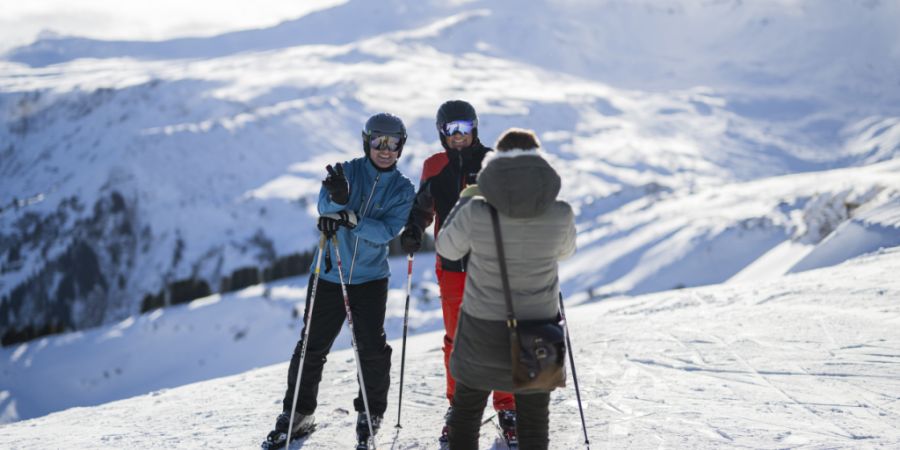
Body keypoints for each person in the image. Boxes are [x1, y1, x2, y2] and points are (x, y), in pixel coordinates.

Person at [263, 113, 415, 449]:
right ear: (367, 141)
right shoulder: (347, 171)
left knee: (371, 350)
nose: (385, 149)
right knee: (311, 347)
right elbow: (322, 206)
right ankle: (298, 413)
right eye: (378, 141)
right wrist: (338, 199)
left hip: (371, 279)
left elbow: (387, 232)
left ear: (401, 146)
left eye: (393, 143)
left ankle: (370, 414)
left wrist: (350, 218)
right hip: (330, 272)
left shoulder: (404, 189)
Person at [435, 128, 576, 450]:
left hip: (481, 326)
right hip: (540, 328)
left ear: (496, 166)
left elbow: (447, 248)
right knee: (534, 421)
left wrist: (464, 200)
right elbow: (565, 252)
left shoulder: (476, 211)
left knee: (467, 413)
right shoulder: (561, 213)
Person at [398, 100, 517, 445]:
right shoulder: (434, 166)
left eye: (465, 128)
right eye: (452, 130)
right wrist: (413, 230)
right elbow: (422, 207)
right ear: (442, 133)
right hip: (452, 266)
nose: (459, 136)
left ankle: (507, 407)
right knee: (456, 341)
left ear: (475, 128)